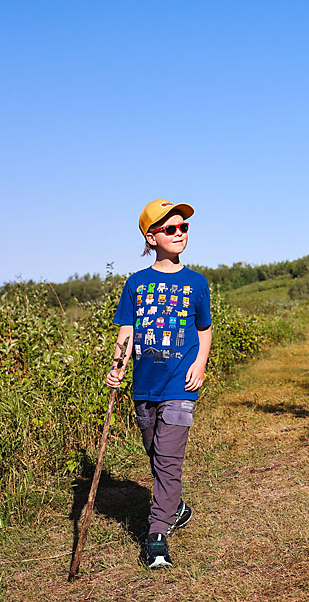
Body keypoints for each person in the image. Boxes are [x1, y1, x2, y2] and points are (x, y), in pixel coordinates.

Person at [105, 199, 212, 569]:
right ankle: (176, 506)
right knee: (156, 455)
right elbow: (127, 331)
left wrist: (199, 363)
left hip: (181, 385)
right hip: (144, 386)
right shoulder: (136, 284)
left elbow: (205, 329)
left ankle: (156, 538)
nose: (179, 233)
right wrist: (117, 366)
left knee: (168, 459)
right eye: (171, 228)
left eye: (184, 227)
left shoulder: (197, 283)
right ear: (152, 237)